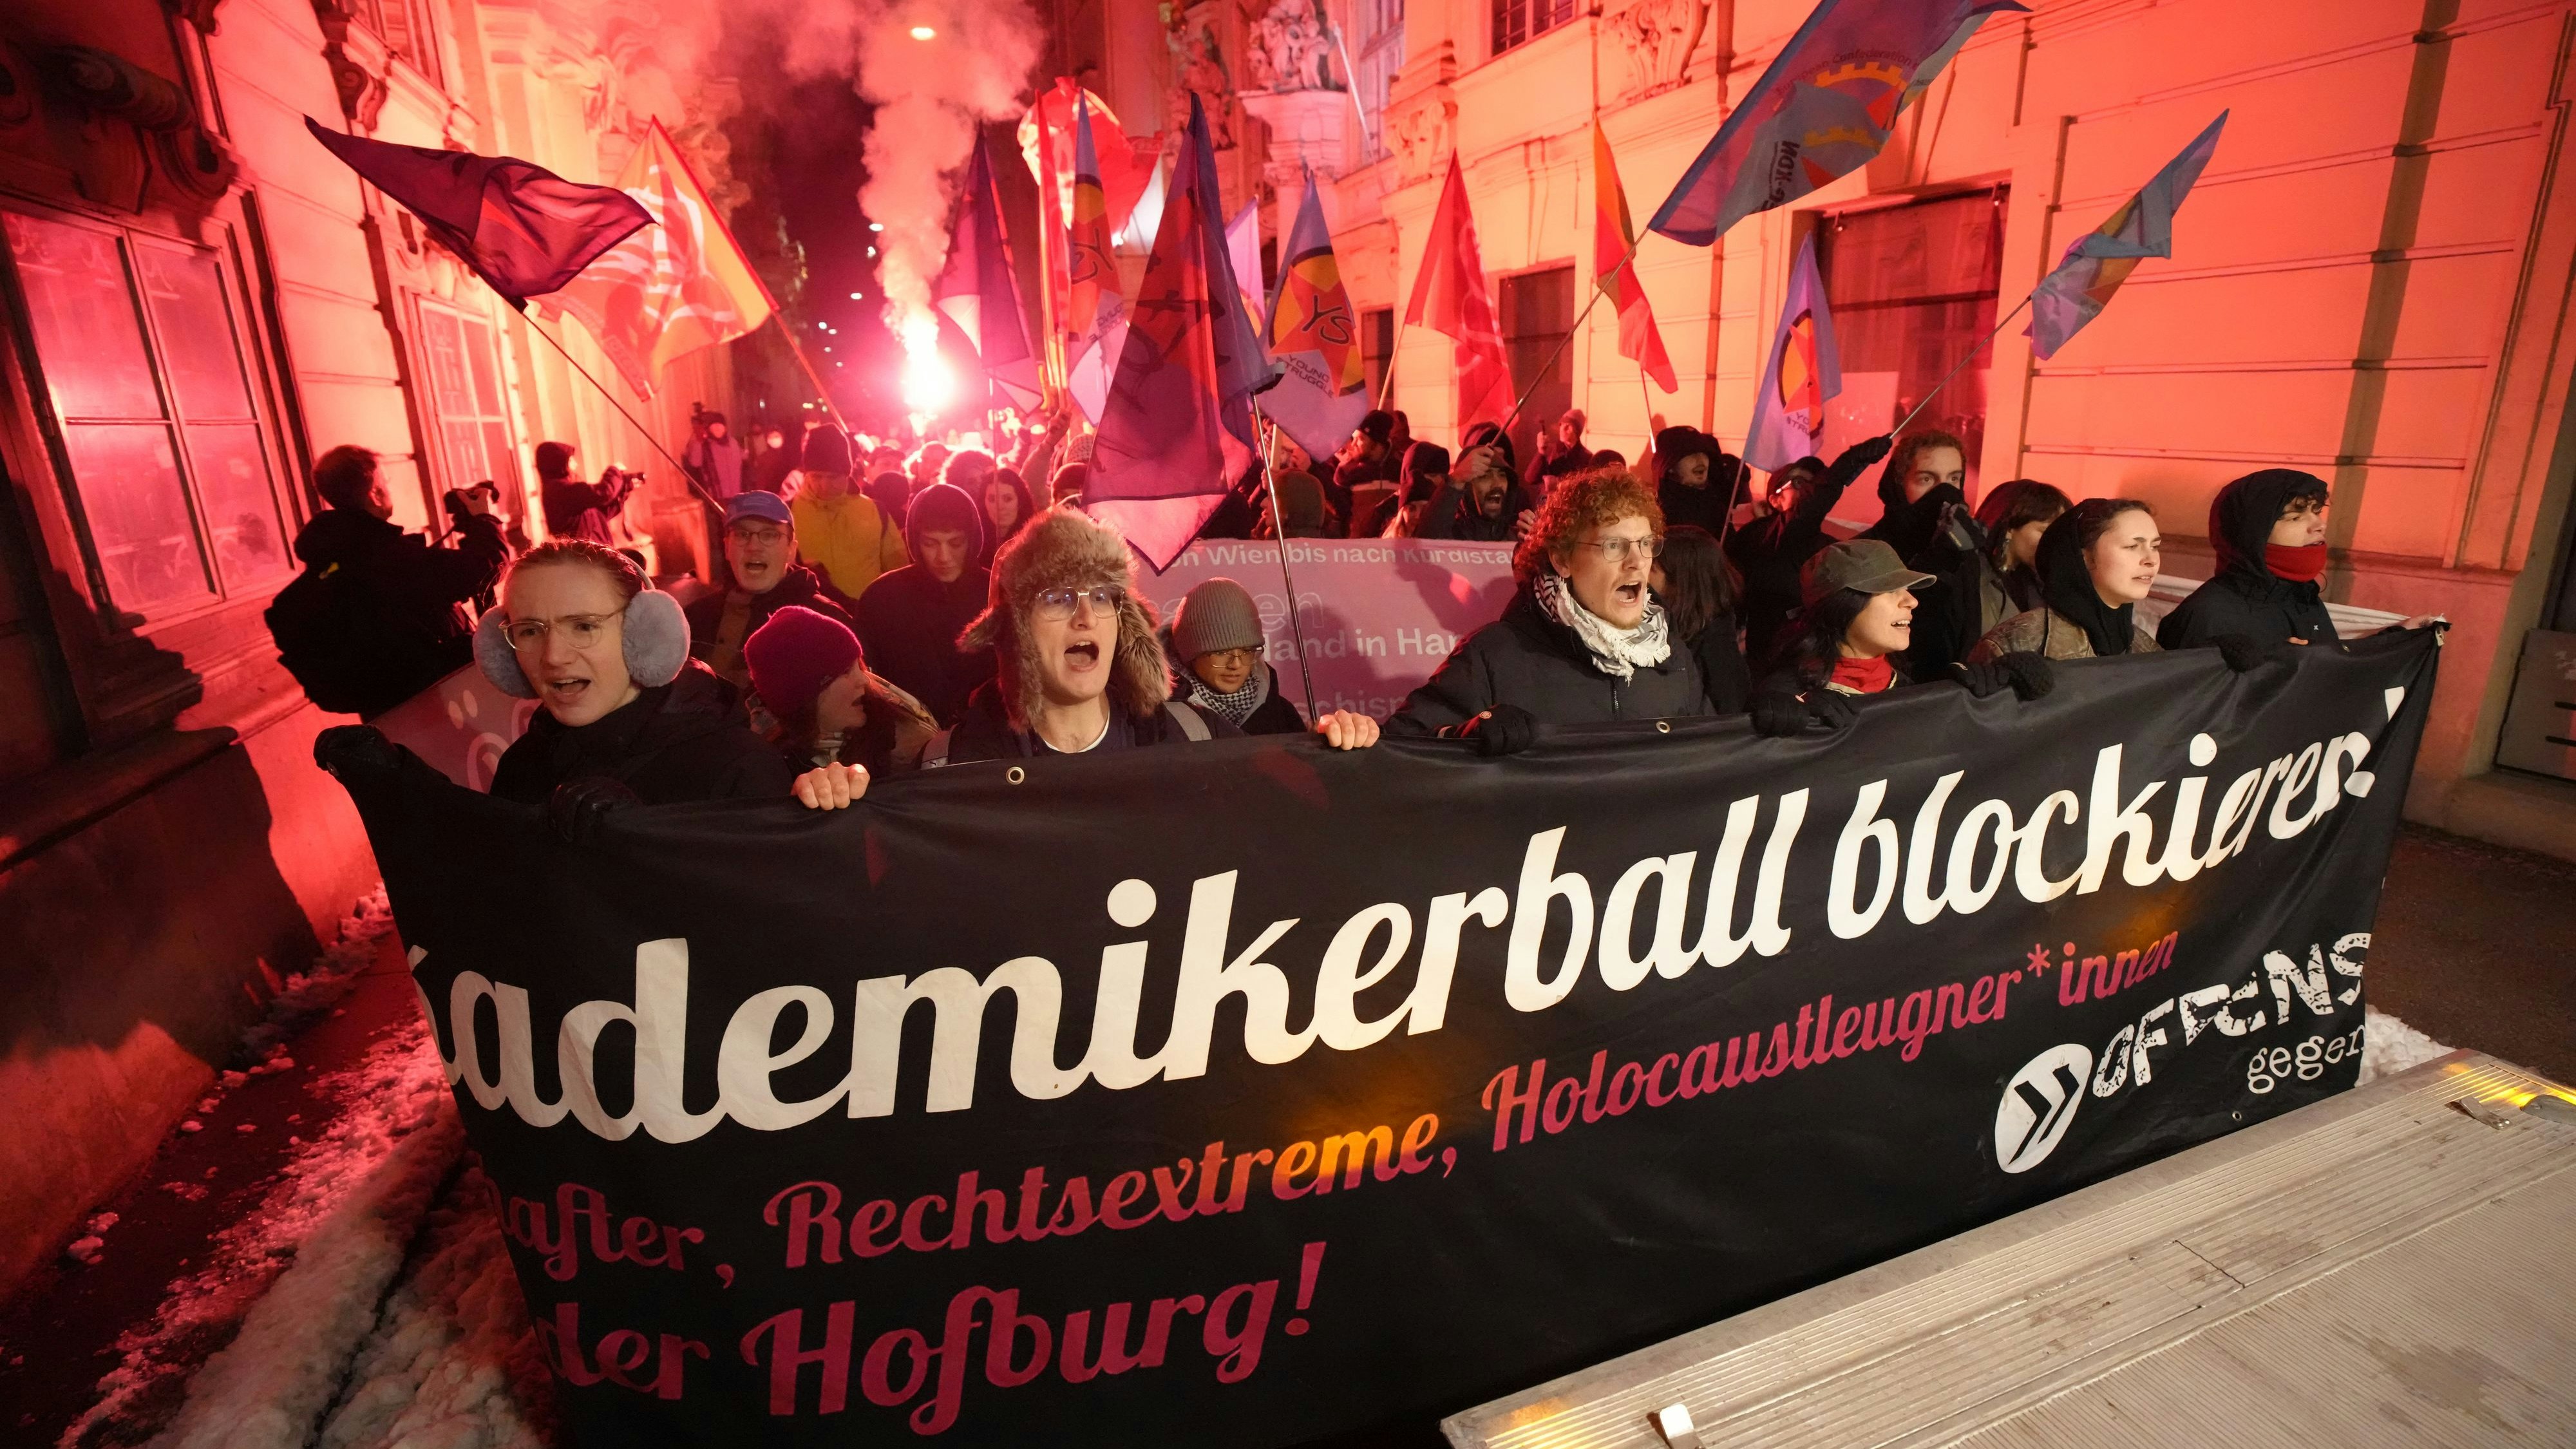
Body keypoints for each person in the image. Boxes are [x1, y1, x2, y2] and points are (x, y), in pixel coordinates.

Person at [938, 509, 1378, 762]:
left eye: (1104, 595)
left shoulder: (1192, 739)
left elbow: (1301, 813)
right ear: (1013, 630)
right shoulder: (954, 766)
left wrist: (1337, 751)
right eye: (1057, 597)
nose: (1087, 616)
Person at [1388, 468, 1706, 744]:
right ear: (1562, 559)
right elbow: (1401, 745)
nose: (1637, 563)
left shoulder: (1671, 656)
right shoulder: (1494, 656)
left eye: (1646, 544)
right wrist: (1466, 735)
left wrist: (1755, 734)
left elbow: (1710, 760)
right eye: (1614, 545)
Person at [477, 539, 795, 806]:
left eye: (584, 626)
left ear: (643, 632)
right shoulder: (521, 768)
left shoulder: (740, 769)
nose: (554, 657)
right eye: (530, 630)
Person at [269, 444, 509, 719]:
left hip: (383, 716)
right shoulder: (386, 558)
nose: (390, 489)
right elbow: (487, 568)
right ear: (375, 494)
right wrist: (484, 518)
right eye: (387, 482)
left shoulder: (334, 560)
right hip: (441, 709)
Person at [1750, 538, 2052, 737]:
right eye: (1891, 590)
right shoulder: (1785, 693)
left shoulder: (1906, 686)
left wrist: (1992, 691)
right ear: (1844, 604)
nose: (1911, 601)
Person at [1727, 435, 1895, 666]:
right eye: (1799, 483)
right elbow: (1806, 514)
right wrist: (1850, 462)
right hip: (1769, 661)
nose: (1810, 489)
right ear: (1775, 500)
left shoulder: (1826, 545)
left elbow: (1875, 547)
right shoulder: (1766, 538)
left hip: (1812, 658)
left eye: (1814, 483)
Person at [745, 605, 939, 804]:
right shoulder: (760, 770)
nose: (864, 680)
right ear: (804, 695)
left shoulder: (902, 740)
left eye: (859, 666)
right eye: (846, 671)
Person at [683, 491, 857, 699]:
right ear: (727, 548)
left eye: (770, 535)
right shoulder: (697, 617)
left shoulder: (827, 621)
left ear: (791, 550)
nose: (754, 546)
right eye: (742, 534)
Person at [852, 482, 994, 726]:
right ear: (915, 541)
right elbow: (866, 680)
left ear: (973, 539)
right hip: (907, 739)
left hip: (989, 737)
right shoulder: (882, 598)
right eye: (931, 544)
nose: (944, 557)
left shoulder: (997, 592)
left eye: (956, 543)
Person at [2155, 468, 2340, 651]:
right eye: (2295, 518)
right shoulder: (2206, 616)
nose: (2320, 526)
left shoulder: (2303, 597)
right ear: (2253, 533)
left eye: (2316, 512)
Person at [1969, 498, 2164, 662]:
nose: (2151, 560)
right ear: (2085, 557)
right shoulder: (2016, 644)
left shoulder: (2150, 653)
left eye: (2155, 547)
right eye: (2132, 546)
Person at [1907, 478, 2072, 671]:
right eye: (2045, 531)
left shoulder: (2040, 585)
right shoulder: (1966, 574)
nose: (2054, 542)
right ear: (2010, 526)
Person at [1162, 578, 1307, 734]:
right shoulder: (1160, 721)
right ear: (1189, 654)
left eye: (1247, 650)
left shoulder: (1283, 715)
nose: (1236, 664)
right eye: (1221, 652)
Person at [790, 426, 909, 601]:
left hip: (868, 618)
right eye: (816, 477)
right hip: (812, 619)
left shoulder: (876, 511)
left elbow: (898, 570)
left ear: (848, 473)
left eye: (833, 477)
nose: (824, 485)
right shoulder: (788, 513)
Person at [1652, 524, 1752, 714]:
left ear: (1680, 582)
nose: (1639, 571)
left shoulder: (1719, 655)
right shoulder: (1688, 626)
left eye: (1652, 568)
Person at [1859, 429, 1968, 565]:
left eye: (1953, 478)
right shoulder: (1862, 557)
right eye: (1927, 479)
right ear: (1899, 486)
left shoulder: (1970, 546)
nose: (1945, 491)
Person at [1419, 428, 1533, 542]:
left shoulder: (1518, 539)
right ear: (1466, 488)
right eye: (1484, 476)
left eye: (1502, 475)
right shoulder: (1449, 536)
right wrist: (1456, 480)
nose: (1497, 483)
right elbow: (1425, 543)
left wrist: (1536, 545)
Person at [537, 440, 638, 547]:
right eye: (571, 460)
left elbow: (600, 516)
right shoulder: (559, 491)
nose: (576, 464)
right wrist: (614, 470)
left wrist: (625, 489)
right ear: (558, 464)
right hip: (587, 558)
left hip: (594, 555)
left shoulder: (563, 490)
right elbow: (604, 493)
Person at [1653, 426, 1744, 536]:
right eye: (1691, 454)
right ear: (1670, 465)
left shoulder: (1714, 504)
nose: (1700, 460)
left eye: (1703, 453)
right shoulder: (1659, 512)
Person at [1369, 442, 1448, 537]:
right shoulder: (1383, 513)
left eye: (1443, 476)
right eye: (1432, 476)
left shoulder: (1448, 505)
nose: (1440, 481)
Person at [978, 467, 1038, 569]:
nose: (999, 507)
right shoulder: (976, 543)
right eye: (992, 499)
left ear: (1020, 502)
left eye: (1008, 499)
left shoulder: (1036, 540)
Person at [683, 410, 744, 501]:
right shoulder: (705, 445)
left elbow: (740, 462)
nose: (718, 429)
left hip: (735, 494)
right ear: (709, 429)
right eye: (714, 426)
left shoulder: (732, 442)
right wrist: (698, 440)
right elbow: (695, 463)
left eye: (720, 426)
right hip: (716, 497)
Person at [1535, 410, 1593, 488]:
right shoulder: (1550, 450)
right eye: (1561, 424)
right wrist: (1541, 452)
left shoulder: (1586, 457)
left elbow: (1586, 487)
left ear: (1577, 431)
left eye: (1568, 425)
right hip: (1548, 499)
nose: (1563, 428)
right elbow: (1531, 479)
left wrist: (1559, 483)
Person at [750, 427, 797, 495]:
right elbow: (761, 482)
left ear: (782, 437)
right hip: (770, 495)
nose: (774, 439)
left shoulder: (790, 457)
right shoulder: (763, 458)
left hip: (787, 496)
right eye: (771, 437)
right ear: (767, 440)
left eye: (776, 436)